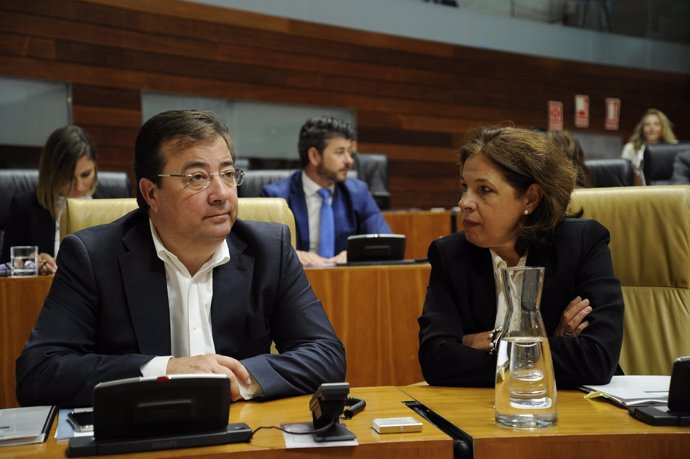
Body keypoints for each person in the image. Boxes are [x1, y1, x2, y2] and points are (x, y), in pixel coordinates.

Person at [16, 110, 346, 408]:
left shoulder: (269, 249)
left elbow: (326, 355)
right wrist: (167, 370)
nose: (221, 194)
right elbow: (39, 372)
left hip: (242, 435)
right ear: (151, 193)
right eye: (197, 178)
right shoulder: (93, 257)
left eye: (228, 173)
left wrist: (240, 378)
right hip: (140, 437)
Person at [418, 126, 624, 388]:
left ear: (530, 198)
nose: (465, 202)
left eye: (484, 190)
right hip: (484, 412)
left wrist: (484, 344)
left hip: (579, 408)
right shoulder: (450, 255)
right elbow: (435, 361)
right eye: (464, 187)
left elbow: (596, 360)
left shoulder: (582, 244)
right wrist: (548, 343)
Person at [261, 116, 391, 266]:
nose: (349, 161)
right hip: (297, 282)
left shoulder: (358, 193)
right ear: (314, 156)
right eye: (340, 152)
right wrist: (292, 254)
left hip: (346, 281)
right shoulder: (275, 198)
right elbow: (263, 250)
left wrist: (357, 254)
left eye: (350, 152)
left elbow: (385, 242)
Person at [1, 125, 99, 274]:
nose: (79, 186)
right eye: (68, 177)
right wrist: (32, 264)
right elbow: (5, 266)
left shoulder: (109, 204)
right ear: (52, 173)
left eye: (86, 174)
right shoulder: (24, 208)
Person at [621, 108, 677, 183]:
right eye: (647, 124)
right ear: (642, 128)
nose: (651, 128)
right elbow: (624, 177)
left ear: (663, 128)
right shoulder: (630, 148)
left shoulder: (673, 147)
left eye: (656, 124)